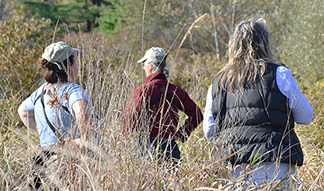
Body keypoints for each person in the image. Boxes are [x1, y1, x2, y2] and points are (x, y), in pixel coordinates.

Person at [203, 18, 313, 188]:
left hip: (235, 169)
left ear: (234, 44)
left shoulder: (218, 82)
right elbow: (306, 116)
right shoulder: (280, 74)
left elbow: (209, 132)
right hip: (276, 165)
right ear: (265, 43)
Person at [18, 41, 100, 189]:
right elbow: (80, 110)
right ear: (69, 65)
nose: (77, 64)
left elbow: (23, 111)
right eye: (75, 60)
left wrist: (43, 137)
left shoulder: (41, 92)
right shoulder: (73, 89)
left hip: (44, 157)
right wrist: (84, 139)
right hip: (68, 160)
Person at [121, 47, 203, 164]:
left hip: (144, 147)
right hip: (170, 147)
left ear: (149, 65)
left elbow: (128, 118)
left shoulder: (143, 90)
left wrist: (126, 137)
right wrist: (180, 135)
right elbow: (197, 114)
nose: (143, 66)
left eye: (144, 63)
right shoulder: (176, 91)